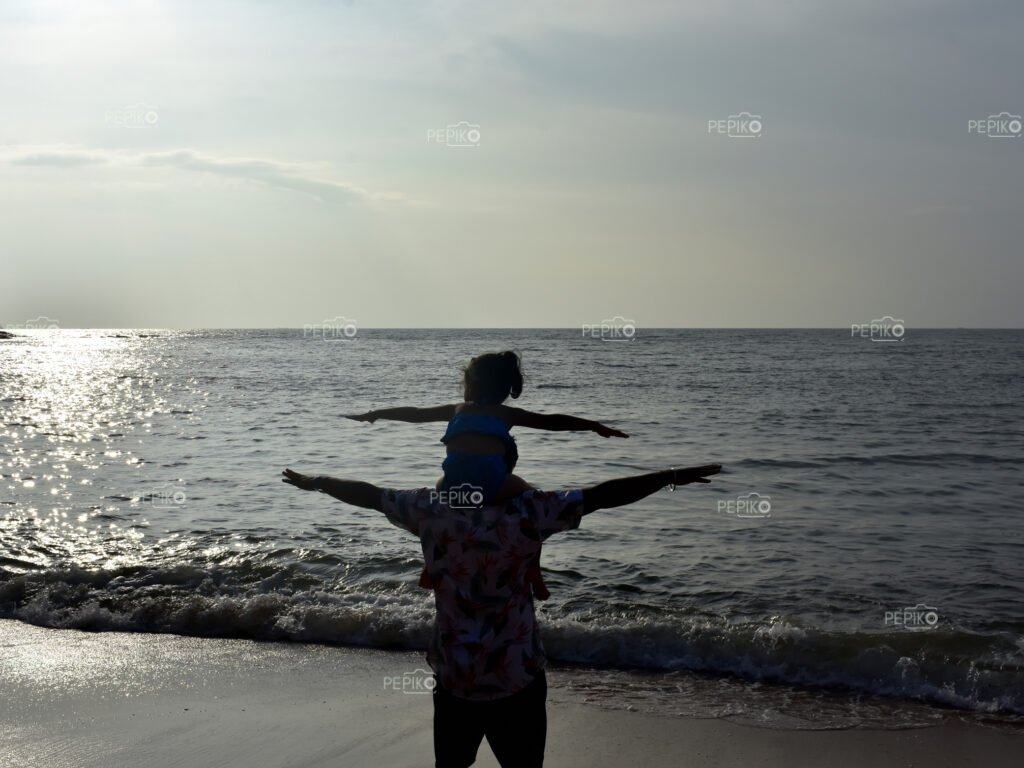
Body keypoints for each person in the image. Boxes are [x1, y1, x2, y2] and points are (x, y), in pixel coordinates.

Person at [281, 462, 721, 768]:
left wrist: (318, 481)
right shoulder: (530, 513)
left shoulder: (430, 511)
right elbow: (603, 496)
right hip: (517, 677)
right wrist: (669, 477)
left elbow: (370, 495)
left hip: (456, 676)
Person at [346, 350, 628, 601]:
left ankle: (430, 566)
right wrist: (593, 426)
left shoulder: (455, 410)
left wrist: (377, 413)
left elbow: (415, 413)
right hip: (494, 484)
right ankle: (533, 571)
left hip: (451, 487)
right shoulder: (506, 413)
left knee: (433, 513)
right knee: (533, 505)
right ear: (503, 388)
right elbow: (550, 422)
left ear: (472, 384)